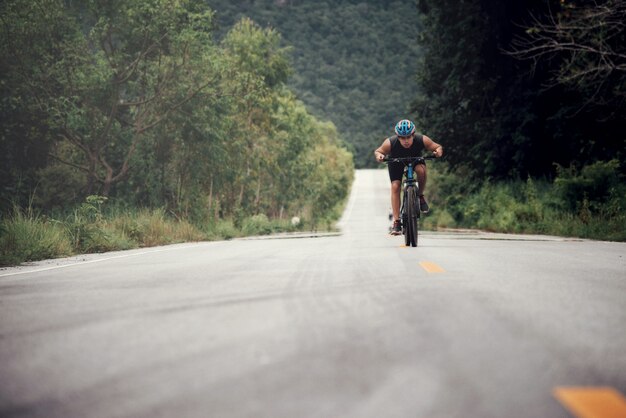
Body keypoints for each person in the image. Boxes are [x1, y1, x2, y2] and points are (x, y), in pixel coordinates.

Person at [374, 119, 443, 235]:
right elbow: (378, 151)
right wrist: (380, 156)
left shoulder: (422, 139)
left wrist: (438, 152)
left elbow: (437, 147)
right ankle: (396, 222)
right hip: (396, 161)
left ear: (413, 134)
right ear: (397, 136)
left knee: (421, 171)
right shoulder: (390, 143)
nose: (406, 141)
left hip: (415, 160)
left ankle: (420, 195)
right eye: (402, 138)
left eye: (408, 137)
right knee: (395, 186)